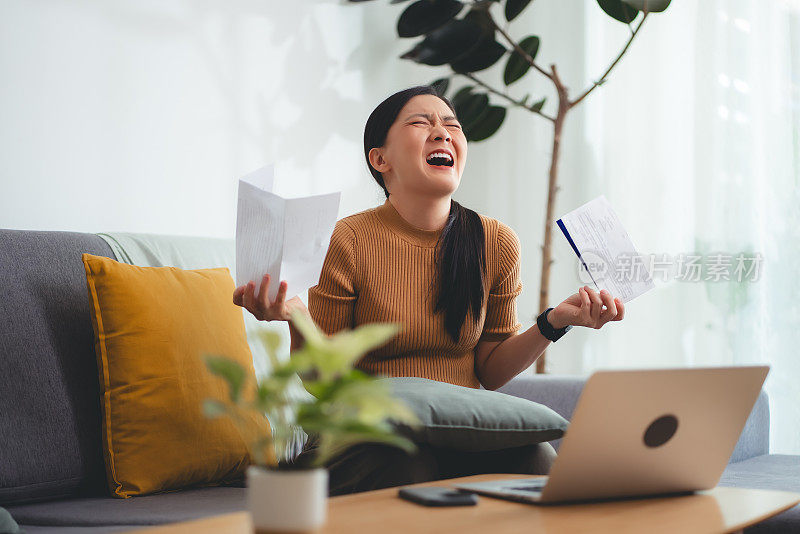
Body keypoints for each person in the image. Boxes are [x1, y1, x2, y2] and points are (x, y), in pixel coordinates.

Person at [233, 85, 625, 495]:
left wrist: (554, 322)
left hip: (460, 430)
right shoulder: (346, 240)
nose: (442, 133)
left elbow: (489, 371)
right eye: (421, 123)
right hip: (364, 435)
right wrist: (298, 318)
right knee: (404, 460)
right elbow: (322, 381)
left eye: (451, 126)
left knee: (537, 458)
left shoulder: (496, 241)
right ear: (380, 159)